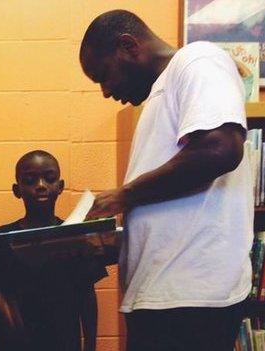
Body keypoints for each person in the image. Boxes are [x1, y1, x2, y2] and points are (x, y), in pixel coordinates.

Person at [79, 9, 253, 351]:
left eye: (104, 75)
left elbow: (220, 149)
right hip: (166, 299)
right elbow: (176, 208)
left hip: (190, 301)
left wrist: (123, 196)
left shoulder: (198, 59)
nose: (105, 91)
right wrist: (117, 242)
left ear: (128, 46)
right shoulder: (161, 95)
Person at [0, 150, 107, 351]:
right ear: (17, 189)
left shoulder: (76, 236)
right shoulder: (4, 236)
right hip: (16, 343)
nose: (40, 186)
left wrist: (90, 345)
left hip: (64, 341)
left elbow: (87, 294)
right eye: (30, 180)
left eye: (49, 178)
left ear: (60, 187)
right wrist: (15, 325)